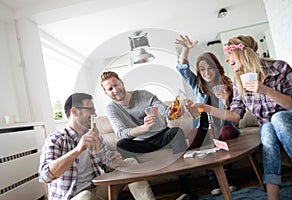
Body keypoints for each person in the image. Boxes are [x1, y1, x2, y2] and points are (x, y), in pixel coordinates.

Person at [187, 35, 292, 200]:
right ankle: (272, 197)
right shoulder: (239, 81)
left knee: (278, 118)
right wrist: (205, 108)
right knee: (267, 128)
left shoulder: (279, 67)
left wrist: (266, 90)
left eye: (229, 54)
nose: (226, 59)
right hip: (270, 127)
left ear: (243, 53)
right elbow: (234, 116)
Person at [38, 93, 155, 200]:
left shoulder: (95, 137)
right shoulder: (56, 139)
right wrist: (78, 150)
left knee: (130, 163)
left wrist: (113, 162)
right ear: (74, 111)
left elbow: (107, 166)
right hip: (72, 197)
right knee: (86, 196)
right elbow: (45, 176)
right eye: (91, 110)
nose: (95, 114)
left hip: (97, 190)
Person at [100, 71, 192, 199]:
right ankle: (143, 191)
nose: (115, 90)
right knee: (122, 145)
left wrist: (173, 112)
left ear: (122, 82)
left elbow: (164, 110)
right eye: (110, 88)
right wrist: (143, 128)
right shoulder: (112, 108)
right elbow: (121, 133)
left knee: (176, 132)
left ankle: (185, 185)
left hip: (162, 136)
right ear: (106, 93)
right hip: (141, 143)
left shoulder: (143, 95)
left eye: (116, 84)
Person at [175, 34, 240, 195]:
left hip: (225, 126)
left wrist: (226, 100)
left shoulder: (228, 85)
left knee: (226, 132)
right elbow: (182, 66)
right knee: (195, 135)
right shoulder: (197, 85)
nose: (207, 72)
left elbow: (235, 116)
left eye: (210, 67)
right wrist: (186, 49)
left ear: (216, 67)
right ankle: (210, 181)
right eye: (202, 69)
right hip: (204, 126)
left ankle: (228, 179)